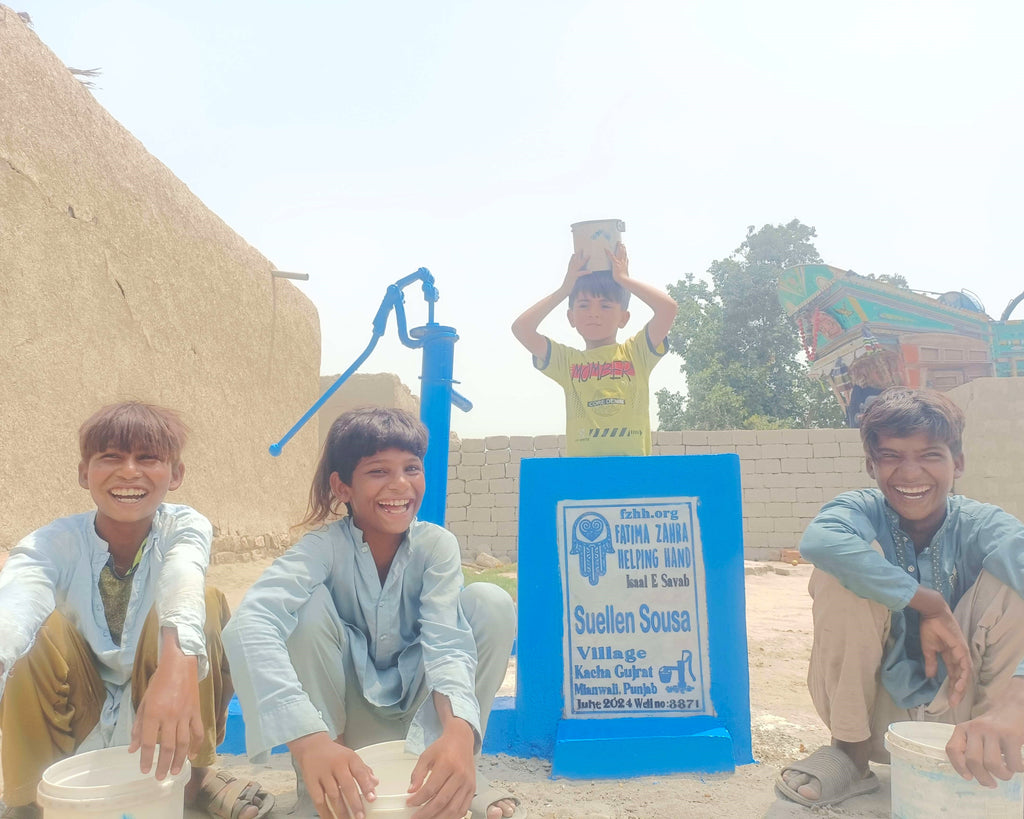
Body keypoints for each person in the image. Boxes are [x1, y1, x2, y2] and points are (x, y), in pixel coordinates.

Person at [221, 407, 521, 819]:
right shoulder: (321, 549)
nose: (400, 484)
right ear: (342, 487)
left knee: (491, 603)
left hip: (424, 718)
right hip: (339, 731)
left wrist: (458, 733)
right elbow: (248, 625)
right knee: (302, 610)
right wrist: (310, 741)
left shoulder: (437, 546)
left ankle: (454, 771)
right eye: (378, 471)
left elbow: (448, 644)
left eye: (411, 468)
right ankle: (323, 789)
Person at [0, 402, 273, 819]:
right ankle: (28, 801)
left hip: (167, 693)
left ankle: (193, 780)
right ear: (83, 473)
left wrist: (176, 666)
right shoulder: (52, 542)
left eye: (147, 458)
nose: (129, 472)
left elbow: (183, 578)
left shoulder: (185, 527)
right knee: (33, 632)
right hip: (76, 713)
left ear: (176, 474)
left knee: (206, 604)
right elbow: (16, 604)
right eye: (110, 457)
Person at [777, 388, 1024, 808]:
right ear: (871, 466)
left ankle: (995, 748)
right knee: (841, 574)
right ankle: (849, 759)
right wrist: (927, 602)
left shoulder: (983, 525)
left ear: (957, 463)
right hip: (874, 714)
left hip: (973, 707)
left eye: (930, 455)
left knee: (1011, 583)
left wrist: (1017, 702)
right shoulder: (860, 510)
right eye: (891, 457)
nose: (911, 474)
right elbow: (819, 541)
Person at [511, 243, 678, 456]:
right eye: (584, 305)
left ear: (624, 318)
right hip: (583, 478)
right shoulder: (567, 361)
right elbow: (521, 328)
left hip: (634, 475)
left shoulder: (637, 353)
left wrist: (624, 280)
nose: (594, 313)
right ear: (571, 317)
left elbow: (668, 308)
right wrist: (565, 289)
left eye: (605, 305)